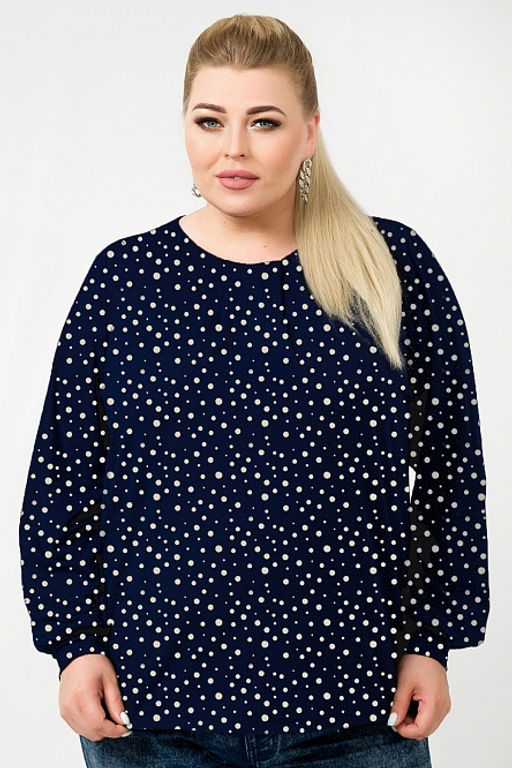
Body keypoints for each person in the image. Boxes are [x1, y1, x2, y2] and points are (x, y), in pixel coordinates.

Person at [18, 13, 490, 768]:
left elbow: (450, 471)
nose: (233, 148)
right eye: (210, 120)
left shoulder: (390, 266)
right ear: (185, 127)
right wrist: (74, 644)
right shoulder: (125, 281)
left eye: (263, 121)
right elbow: (63, 480)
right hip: (153, 709)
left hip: (354, 706)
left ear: (309, 133)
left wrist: (431, 640)